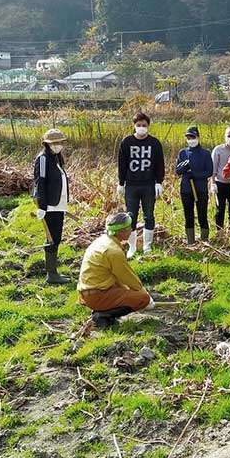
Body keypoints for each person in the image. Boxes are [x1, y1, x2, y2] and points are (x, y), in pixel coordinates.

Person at [77, 212, 153, 328]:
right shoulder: (113, 251)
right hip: (97, 295)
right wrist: (145, 296)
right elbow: (128, 278)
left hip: (91, 291)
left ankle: (103, 310)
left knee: (127, 291)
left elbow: (118, 277)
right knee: (142, 298)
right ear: (121, 231)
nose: (131, 230)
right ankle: (102, 315)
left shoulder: (103, 241)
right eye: (129, 228)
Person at [117, 112, 165, 258]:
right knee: (131, 216)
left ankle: (147, 246)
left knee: (149, 215)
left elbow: (159, 164)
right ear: (134, 126)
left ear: (148, 126)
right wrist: (121, 183)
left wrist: (159, 182)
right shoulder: (126, 142)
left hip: (149, 185)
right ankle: (132, 247)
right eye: (138, 125)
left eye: (144, 125)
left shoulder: (155, 143)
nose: (141, 128)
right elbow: (122, 164)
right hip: (131, 185)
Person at [32, 128, 71, 284]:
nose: (57, 145)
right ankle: (51, 274)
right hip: (49, 205)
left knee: (57, 237)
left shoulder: (56, 158)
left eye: (59, 142)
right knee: (52, 238)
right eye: (53, 143)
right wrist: (41, 206)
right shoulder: (43, 159)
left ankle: (53, 272)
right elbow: (39, 182)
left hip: (59, 204)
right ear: (46, 144)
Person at [175, 126, 213, 244]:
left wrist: (195, 174)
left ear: (198, 137)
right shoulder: (183, 153)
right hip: (186, 189)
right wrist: (184, 167)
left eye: (193, 137)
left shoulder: (205, 153)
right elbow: (177, 171)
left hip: (200, 189)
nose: (191, 139)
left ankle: (204, 240)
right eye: (188, 137)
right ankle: (190, 241)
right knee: (188, 215)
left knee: (202, 214)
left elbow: (209, 172)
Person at [211, 126, 230, 231]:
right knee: (220, 208)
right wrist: (212, 183)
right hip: (220, 183)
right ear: (225, 137)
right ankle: (219, 230)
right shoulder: (218, 150)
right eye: (228, 136)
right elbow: (213, 168)